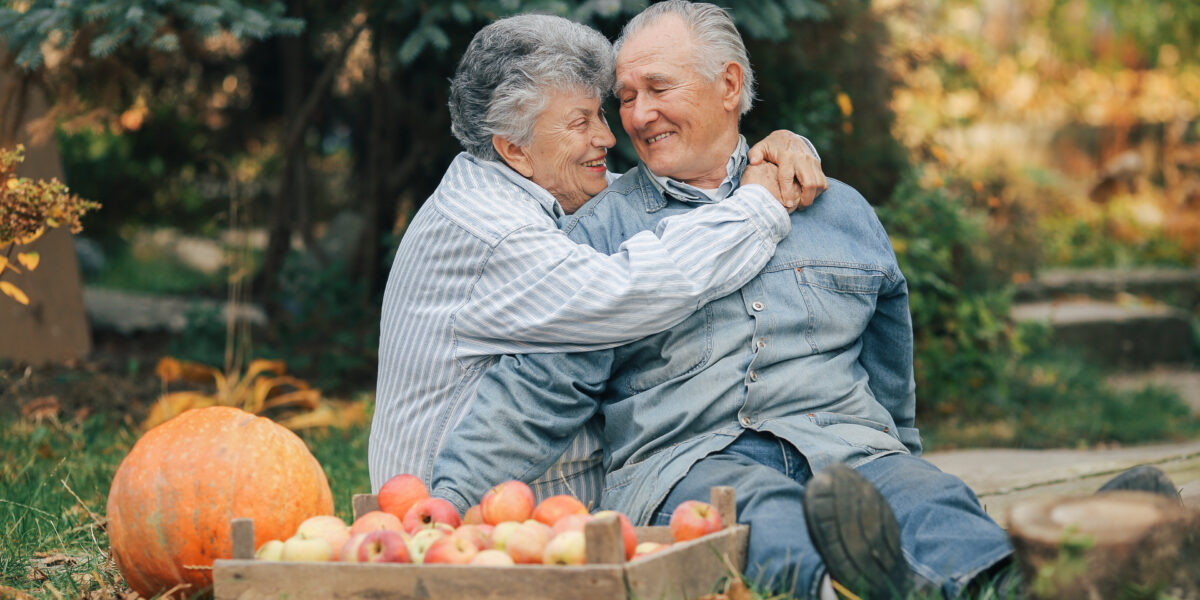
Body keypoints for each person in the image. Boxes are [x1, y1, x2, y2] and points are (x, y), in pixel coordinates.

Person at [429, 3, 1179, 599]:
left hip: (843, 446)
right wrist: (444, 500)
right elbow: (541, 384)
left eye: (658, 89)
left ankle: (1044, 573)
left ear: (728, 86)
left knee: (930, 501)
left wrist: (899, 460)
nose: (636, 115)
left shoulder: (838, 208)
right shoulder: (604, 230)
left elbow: (890, 366)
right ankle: (869, 587)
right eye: (625, 97)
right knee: (765, 522)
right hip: (695, 465)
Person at [369, 12, 828, 508]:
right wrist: (757, 207)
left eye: (602, 114)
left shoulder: (539, 184)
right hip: (451, 511)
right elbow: (630, 291)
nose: (607, 139)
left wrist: (782, 147)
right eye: (580, 122)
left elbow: (669, 195)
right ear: (514, 150)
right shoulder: (491, 229)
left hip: (533, 502)